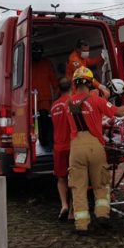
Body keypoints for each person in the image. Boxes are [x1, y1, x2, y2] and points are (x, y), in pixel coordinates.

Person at [67, 66, 124, 234]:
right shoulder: (96, 100)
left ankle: (81, 225)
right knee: (101, 183)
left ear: (74, 84)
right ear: (90, 84)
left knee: (79, 186)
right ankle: (102, 215)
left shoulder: (68, 103)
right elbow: (118, 112)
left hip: (76, 147)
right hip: (95, 145)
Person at [50, 77, 74, 221]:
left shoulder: (53, 106)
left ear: (58, 89)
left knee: (61, 178)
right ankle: (72, 211)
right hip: (72, 145)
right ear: (72, 87)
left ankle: (63, 204)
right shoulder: (72, 103)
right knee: (74, 179)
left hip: (58, 146)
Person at [32, 43, 58, 150]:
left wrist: (57, 91)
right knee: (31, 121)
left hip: (44, 98)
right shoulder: (28, 63)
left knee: (45, 121)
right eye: (35, 53)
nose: (37, 55)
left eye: (39, 53)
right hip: (31, 97)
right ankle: (35, 143)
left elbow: (53, 79)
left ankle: (46, 142)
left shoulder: (46, 63)